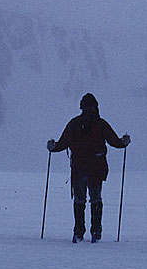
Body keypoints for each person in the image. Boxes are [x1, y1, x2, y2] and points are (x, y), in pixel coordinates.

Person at [47, 93, 130, 243]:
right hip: (97, 168)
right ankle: (96, 232)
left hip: (79, 167)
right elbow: (114, 142)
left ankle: (79, 232)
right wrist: (124, 142)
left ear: (81, 107)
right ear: (96, 107)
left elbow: (62, 143)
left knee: (80, 200)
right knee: (95, 199)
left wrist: (53, 147)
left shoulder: (74, 123)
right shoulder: (101, 124)